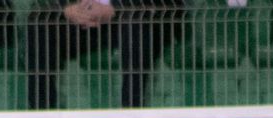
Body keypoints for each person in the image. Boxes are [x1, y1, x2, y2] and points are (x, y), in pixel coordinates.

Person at [26, 0, 184, 109]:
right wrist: (66, 9)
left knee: (136, 25)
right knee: (40, 24)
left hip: (137, 18)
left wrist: (114, 8)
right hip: (87, 20)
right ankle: (42, 110)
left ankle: (132, 111)